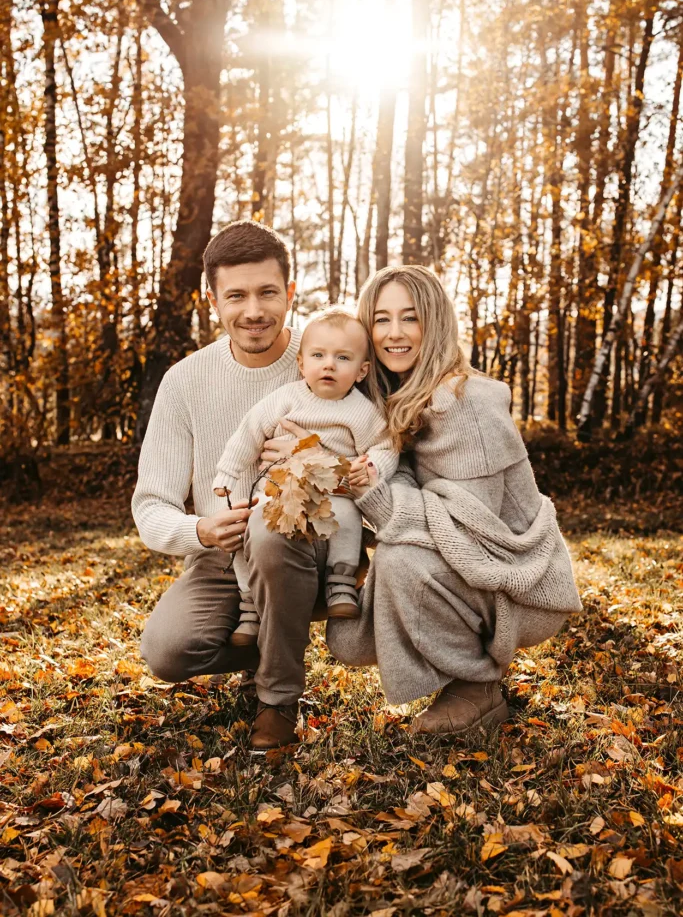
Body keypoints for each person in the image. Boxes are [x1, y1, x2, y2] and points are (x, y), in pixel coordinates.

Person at [326, 265, 582, 734]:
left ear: (436, 322)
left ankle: (478, 687)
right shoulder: (393, 397)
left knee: (401, 560)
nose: (394, 333)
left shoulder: (464, 402)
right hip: (484, 571)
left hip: (522, 581)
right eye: (381, 320)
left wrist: (376, 497)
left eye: (411, 318)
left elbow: (472, 536)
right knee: (361, 563)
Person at [133, 220, 338, 751]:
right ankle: (279, 640)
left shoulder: (326, 364)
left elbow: (382, 450)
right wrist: (200, 529)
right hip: (222, 557)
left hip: (311, 545)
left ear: (290, 293)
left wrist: (319, 461)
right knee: (167, 651)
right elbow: (151, 503)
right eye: (237, 296)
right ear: (212, 301)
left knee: (273, 535)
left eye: (268, 292)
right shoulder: (185, 380)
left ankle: (277, 700)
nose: (254, 310)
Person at [212, 308, 397, 646]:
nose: (329, 364)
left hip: (335, 494)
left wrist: (372, 466)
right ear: (302, 364)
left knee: (346, 516)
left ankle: (340, 582)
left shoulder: (362, 410)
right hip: (281, 492)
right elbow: (248, 433)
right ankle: (250, 603)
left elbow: (385, 446)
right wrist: (227, 471)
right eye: (318, 355)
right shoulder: (286, 399)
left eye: (343, 357)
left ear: (361, 371)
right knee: (252, 526)